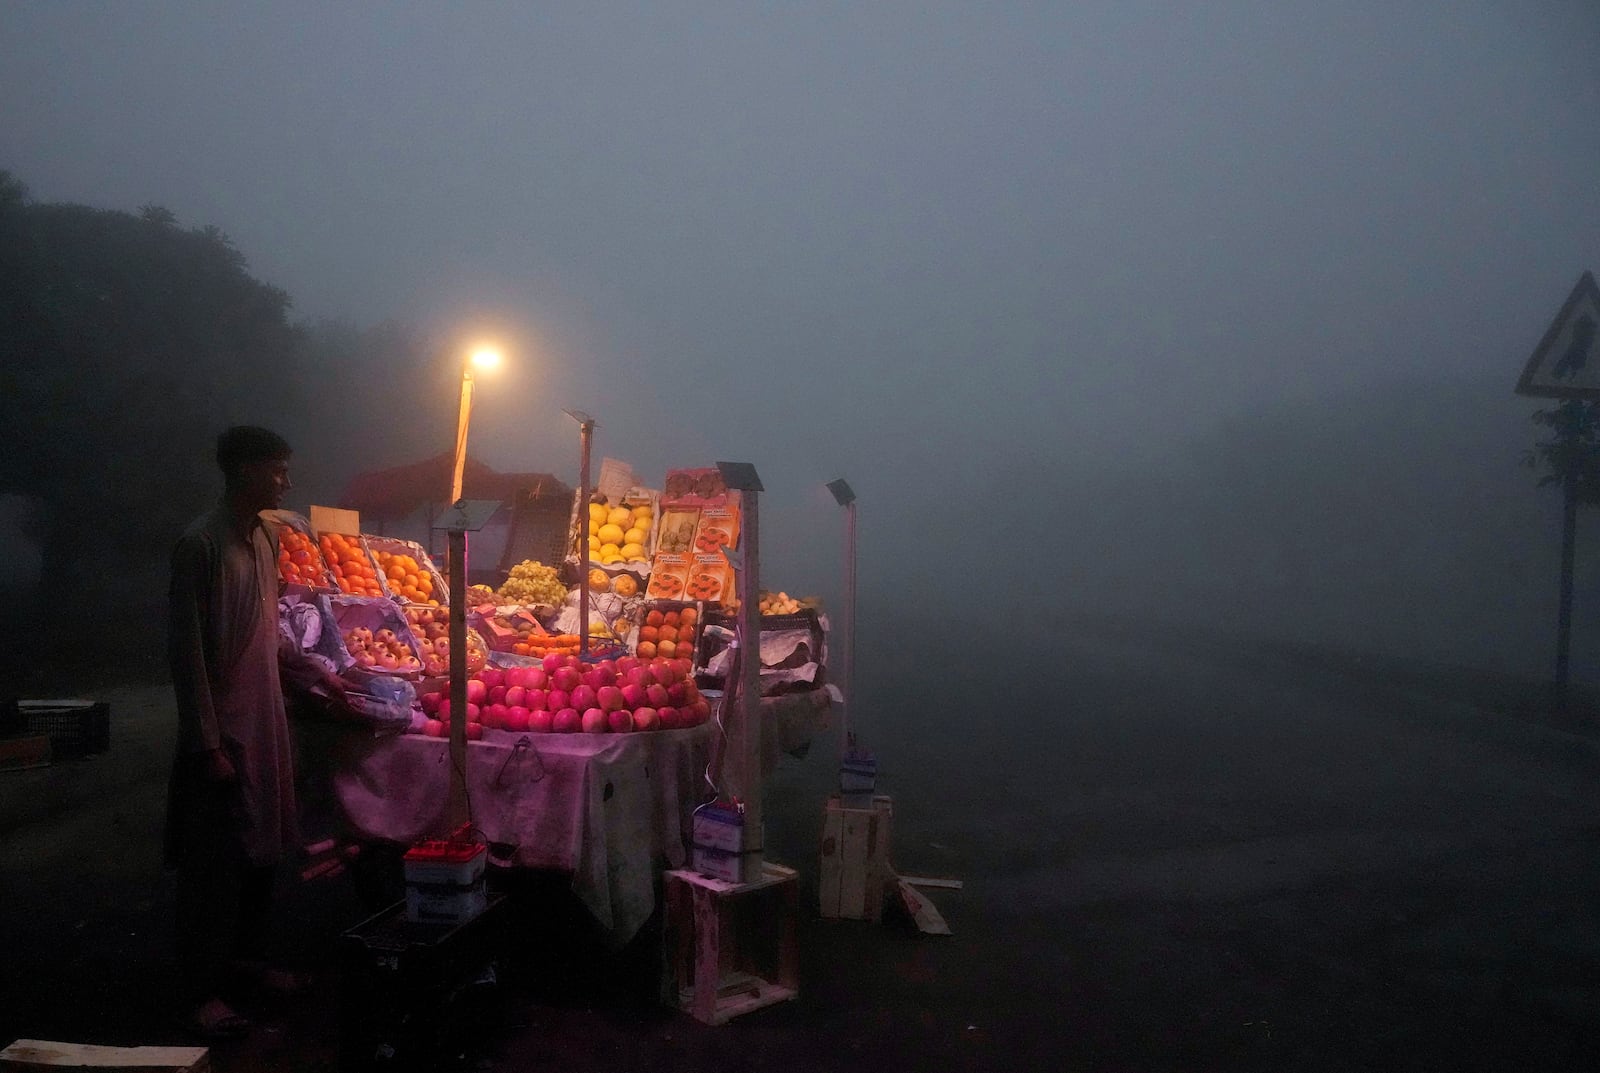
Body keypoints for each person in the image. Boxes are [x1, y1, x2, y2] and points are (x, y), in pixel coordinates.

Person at [165, 425, 346, 1038]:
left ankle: (249, 964)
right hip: (224, 728)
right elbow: (187, 655)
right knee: (214, 863)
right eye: (276, 470)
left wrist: (312, 668)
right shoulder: (201, 546)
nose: (286, 481)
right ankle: (201, 992)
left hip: (266, 716)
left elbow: (270, 631)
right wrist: (206, 744)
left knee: (262, 852)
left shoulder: (264, 539)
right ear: (243, 471)